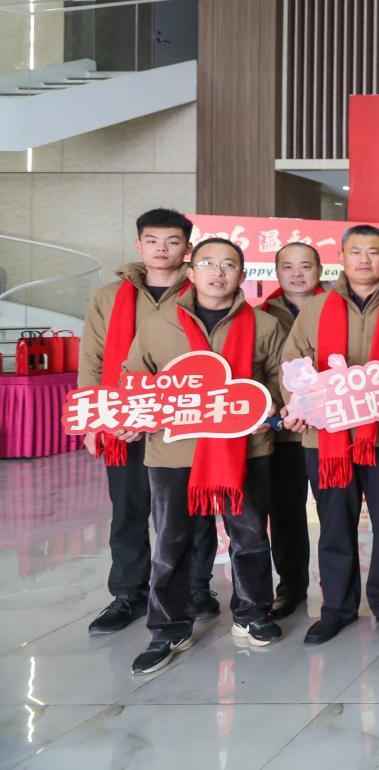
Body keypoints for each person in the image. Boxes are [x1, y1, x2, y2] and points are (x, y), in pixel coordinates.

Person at [123, 238, 286, 673]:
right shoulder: (158, 325)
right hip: (173, 451)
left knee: (250, 535)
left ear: (242, 275)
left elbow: (283, 381)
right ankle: (169, 627)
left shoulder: (264, 326)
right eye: (208, 263)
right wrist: (131, 415)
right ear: (191, 272)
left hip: (245, 448)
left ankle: (252, 614)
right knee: (171, 541)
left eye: (229, 264)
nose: (218, 272)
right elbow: (134, 379)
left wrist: (269, 409)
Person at [280, 225, 379, 645]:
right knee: (334, 525)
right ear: (342, 258)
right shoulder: (316, 308)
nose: (365, 259)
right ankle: (337, 608)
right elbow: (292, 364)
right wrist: (298, 405)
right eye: (356, 251)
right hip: (327, 437)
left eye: (374, 252)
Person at [78, 208, 218, 635]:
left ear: (187, 248)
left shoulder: (203, 291)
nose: (162, 249)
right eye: (153, 241)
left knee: (192, 510)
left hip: (184, 420)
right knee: (129, 509)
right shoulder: (109, 297)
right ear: (139, 245)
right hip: (125, 420)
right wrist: (94, 419)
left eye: (172, 242)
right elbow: (92, 358)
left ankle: (196, 587)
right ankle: (129, 594)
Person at [257, 242, 324, 619]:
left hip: (329, 430)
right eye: (288, 266)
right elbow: (256, 372)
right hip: (282, 433)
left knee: (335, 512)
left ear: (320, 270)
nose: (297, 273)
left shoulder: (337, 307)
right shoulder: (261, 316)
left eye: (305, 266)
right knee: (285, 513)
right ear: (277, 271)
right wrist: (276, 411)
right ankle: (291, 586)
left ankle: (338, 585)